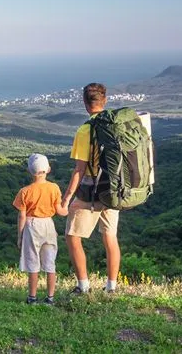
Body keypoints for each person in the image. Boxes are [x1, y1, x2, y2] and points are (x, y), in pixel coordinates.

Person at [61, 82, 120, 294]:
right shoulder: (116, 125)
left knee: (72, 236)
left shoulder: (86, 130)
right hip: (114, 190)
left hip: (91, 192)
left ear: (85, 103)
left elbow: (79, 169)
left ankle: (83, 286)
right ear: (104, 101)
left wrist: (66, 199)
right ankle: (111, 287)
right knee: (110, 236)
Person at [13, 153, 69, 305]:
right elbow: (61, 212)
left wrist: (20, 236)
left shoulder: (24, 191)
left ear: (30, 171)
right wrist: (68, 206)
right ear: (48, 169)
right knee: (50, 263)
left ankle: (32, 298)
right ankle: (50, 298)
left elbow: (21, 217)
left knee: (33, 263)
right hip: (48, 225)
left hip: (32, 225)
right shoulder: (54, 188)